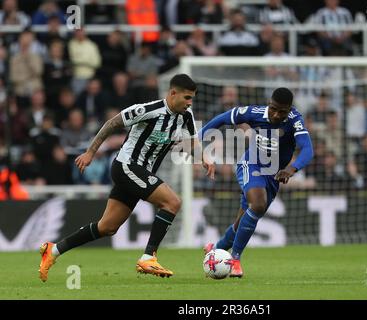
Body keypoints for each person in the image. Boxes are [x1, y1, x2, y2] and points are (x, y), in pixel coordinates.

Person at [38, 74, 215, 281]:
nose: (189, 102)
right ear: (172, 93)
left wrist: (204, 158)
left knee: (107, 227)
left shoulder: (186, 116)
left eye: (192, 98)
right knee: (172, 202)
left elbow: (192, 141)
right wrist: (90, 152)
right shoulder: (148, 110)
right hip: (127, 166)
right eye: (186, 97)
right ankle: (148, 257)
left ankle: (54, 250)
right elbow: (112, 123)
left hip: (141, 172)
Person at [198, 88, 314, 277]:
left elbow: (308, 149)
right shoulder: (254, 112)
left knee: (241, 221)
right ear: (269, 103)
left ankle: (216, 249)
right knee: (258, 205)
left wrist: (291, 169)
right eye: (273, 109)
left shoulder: (295, 120)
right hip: (250, 164)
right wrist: (197, 138)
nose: (276, 115)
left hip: (274, 175)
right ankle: (234, 259)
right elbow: (222, 118)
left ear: (289, 109)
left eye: (282, 111)